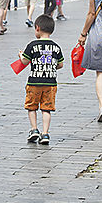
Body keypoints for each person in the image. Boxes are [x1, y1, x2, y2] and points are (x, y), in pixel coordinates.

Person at [18, 14, 63, 146]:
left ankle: (34, 130)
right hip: (50, 83)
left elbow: (25, 61)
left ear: (37, 28)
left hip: (34, 82)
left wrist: (21, 55)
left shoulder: (32, 45)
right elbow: (60, 64)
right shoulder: (56, 47)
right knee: (46, 108)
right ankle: (45, 133)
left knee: (31, 107)